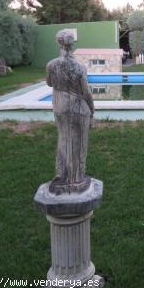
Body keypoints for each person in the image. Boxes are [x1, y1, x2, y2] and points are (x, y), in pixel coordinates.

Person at [46, 30, 95, 194]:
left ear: (58, 42)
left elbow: (49, 84)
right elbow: (86, 92)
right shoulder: (79, 66)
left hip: (60, 107)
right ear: (72, 44)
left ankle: (62, 176)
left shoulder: (51, 65)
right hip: (79, 108)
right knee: (80, 143)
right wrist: (93, 111)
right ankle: (77, 179)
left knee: (63, 140)